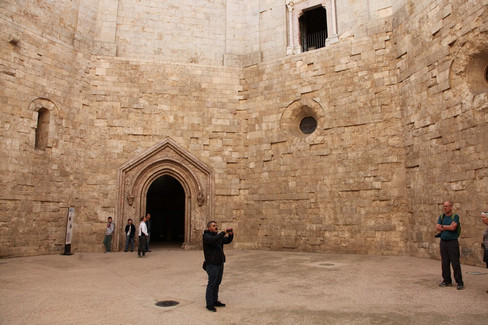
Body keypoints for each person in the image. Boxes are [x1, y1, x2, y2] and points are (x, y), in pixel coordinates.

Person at [202, 221, 234, 312]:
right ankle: (209, 304)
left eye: (216, 225)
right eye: (214, 226)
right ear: (209, 228)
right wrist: (223, 232)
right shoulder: (206, 237)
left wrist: (231, 235)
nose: (216, 227)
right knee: (212, 284)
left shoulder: (217, 236)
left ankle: (215, 300)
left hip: (219, 263)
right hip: (212, 265)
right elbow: (213, 240)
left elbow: (226, 240)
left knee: (217, 283)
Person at [436, 201, 464, 290]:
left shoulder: (455, 216)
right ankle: (446, 280)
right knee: (444, 262)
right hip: (443, 242)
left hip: (452, 242)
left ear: (451, 207)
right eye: (444, 206)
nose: (445, 208)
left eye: (447, 206)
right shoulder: (441, 217)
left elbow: (453, 227)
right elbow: (437, 227)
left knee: (455, 262)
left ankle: (459, 282)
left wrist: (443, 227)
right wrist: (447, 226)